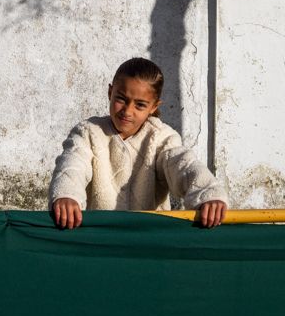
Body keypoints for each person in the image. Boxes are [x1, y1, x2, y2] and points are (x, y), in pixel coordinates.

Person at [48, 57, 228, 229]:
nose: (127, 111)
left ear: (154, 107)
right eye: (121, 99)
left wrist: (208, 194)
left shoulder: (162, 138)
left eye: (140, 105)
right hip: (100, 238)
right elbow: (73, 164)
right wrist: (67, 195)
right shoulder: (88, 132)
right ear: (110, 92)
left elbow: (183, 164)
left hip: (150, 241)